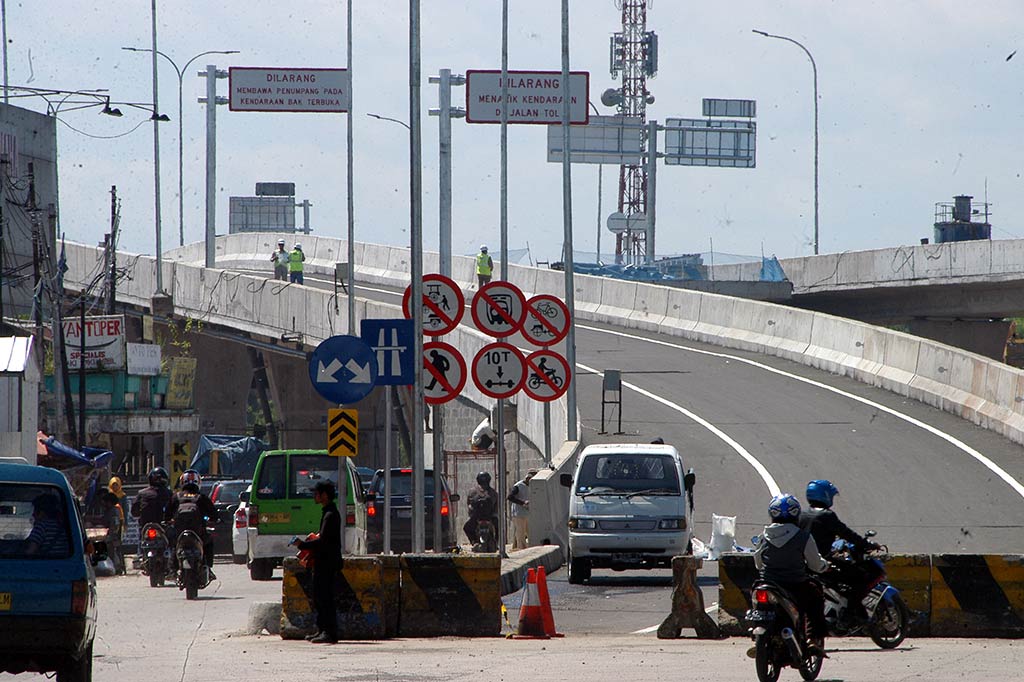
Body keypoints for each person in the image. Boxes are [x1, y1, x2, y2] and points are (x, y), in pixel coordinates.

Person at [753, 493, 828, 652]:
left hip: (768, 584)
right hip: (795, 585)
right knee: (815, 595)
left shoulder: (763, 537)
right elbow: (815, 564)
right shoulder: (803, 537)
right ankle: (813, 638)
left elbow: (758, 564)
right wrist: (824, 566)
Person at [799, 479, 879, 616]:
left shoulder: (802, 515)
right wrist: (868, 545)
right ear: (825, 495)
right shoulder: (827, 515)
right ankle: (852, 611)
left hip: (803, 563)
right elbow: (847, 534)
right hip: (822, 562)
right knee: (861, 577)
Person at [291, 480, 341, 644]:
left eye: (317, 493)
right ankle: (322, 630)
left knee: (325, 598)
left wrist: (302, 545)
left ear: (324, 495)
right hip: (322, 562)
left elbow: (324, 542)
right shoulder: (327, 513)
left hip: (327, 562)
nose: (315, 496)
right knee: (319, 597)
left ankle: (329, 632)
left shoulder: (331, 515)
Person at [165, 469, 218, 575]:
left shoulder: (176, 497)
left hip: (179, 532)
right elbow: (214, 515)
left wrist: (168, 521)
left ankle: (173, 568)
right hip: (198, 533)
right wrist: (213, 521)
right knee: (209, 541)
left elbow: (166, 515)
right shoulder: (201, 498)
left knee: (172, 543)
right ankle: (208, 566)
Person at [463, 471, 499, 547]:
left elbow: (469, 504)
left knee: (466, 528)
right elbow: (496, 506)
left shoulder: (472, 491)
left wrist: (471, 513)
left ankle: (474, 541)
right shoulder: (493, 492)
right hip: (489, 517)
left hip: (477, 517)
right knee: (498, 527)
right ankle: (496, 542)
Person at [508, 469, 538, 551]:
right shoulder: (518, 486)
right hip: (519, 514)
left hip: (528, 513)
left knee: (530, 532)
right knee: (521, 533)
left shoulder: (531, 486)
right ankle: (522, 549)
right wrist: (522, 503)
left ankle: (528, 548)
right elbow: (510, 497)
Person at [100, 491, 125, 574]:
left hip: (113, 537)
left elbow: (114, 526)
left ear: (109, 502)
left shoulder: (114, 511)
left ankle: (117, 567)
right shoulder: (108, 510)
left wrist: (109, 537)